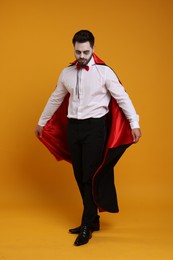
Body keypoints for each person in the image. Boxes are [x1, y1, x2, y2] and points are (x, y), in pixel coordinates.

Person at [35, 30, 142, 246]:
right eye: (78, 51)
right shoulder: (66, 73)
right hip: (73, 128)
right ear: (73, 48)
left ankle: (86, 225)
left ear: (93, 48)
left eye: (85, 51)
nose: (81, 56)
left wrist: (134, 123)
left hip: (96, 128)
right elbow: (56, 98)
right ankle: (92, 220)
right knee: (79, 173)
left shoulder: (104, 72)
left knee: (89, 176)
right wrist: (42, 122)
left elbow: (122, 97)